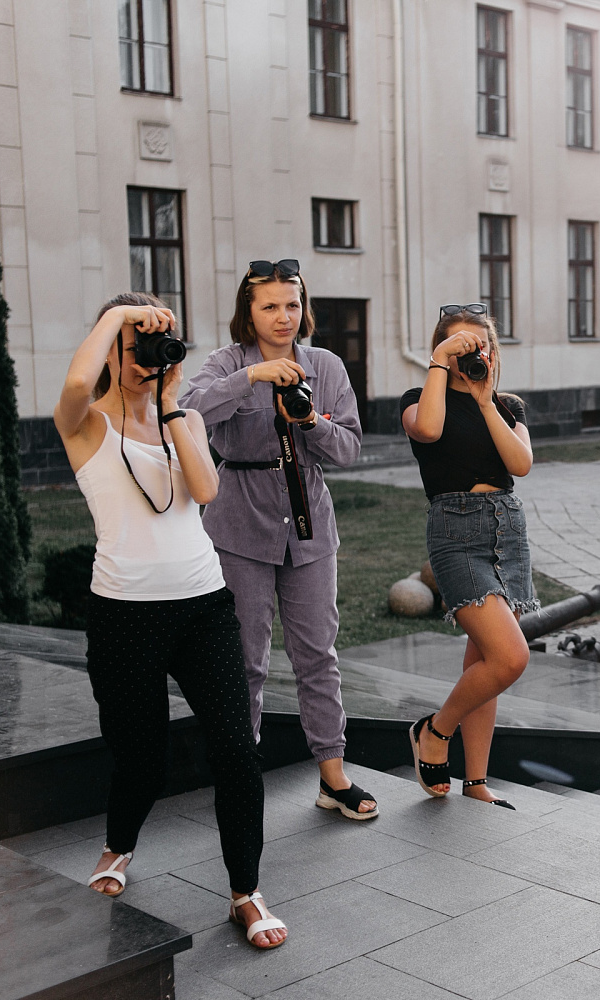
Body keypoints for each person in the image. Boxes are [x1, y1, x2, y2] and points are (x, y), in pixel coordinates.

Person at [55, 292, 285, 949]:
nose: (147, 360)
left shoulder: (179, 414)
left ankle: (246, 891)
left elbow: (206, 490)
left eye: (157, 347)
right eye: (136, 349)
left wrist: (172, 402)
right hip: (123, 615)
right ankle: (118, 845)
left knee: (237, 751)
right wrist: (117, 319)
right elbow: (76, 383)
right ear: (112, 351)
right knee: (142, 759)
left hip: (203, 607)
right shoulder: (84, 422)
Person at [180, 259, 375, 821]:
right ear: (249, 312)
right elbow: (189, 412)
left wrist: (312, 422)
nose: (284, 316)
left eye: (292, 304)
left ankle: (333, 775)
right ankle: (240, 774)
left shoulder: (325, 365)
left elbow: (349, 449)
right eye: (270, 306)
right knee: (245, 659)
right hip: (240, 524)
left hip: (308, 521)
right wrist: (252, 378)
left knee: (317, 654)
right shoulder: (226, 362)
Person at [400, 304, 537, 808]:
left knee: (484, 661)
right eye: (458, 346)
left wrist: (486, 401)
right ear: (441, 352)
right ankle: (435, 732)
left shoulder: (508, 406)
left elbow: (520, 464)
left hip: (507, 530)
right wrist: (441, 363)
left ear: (493, 352)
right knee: (510, 656)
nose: (471, 355)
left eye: (479, 346)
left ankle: (475, 781)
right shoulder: (418, 399)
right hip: (455, 531)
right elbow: (429, 431)